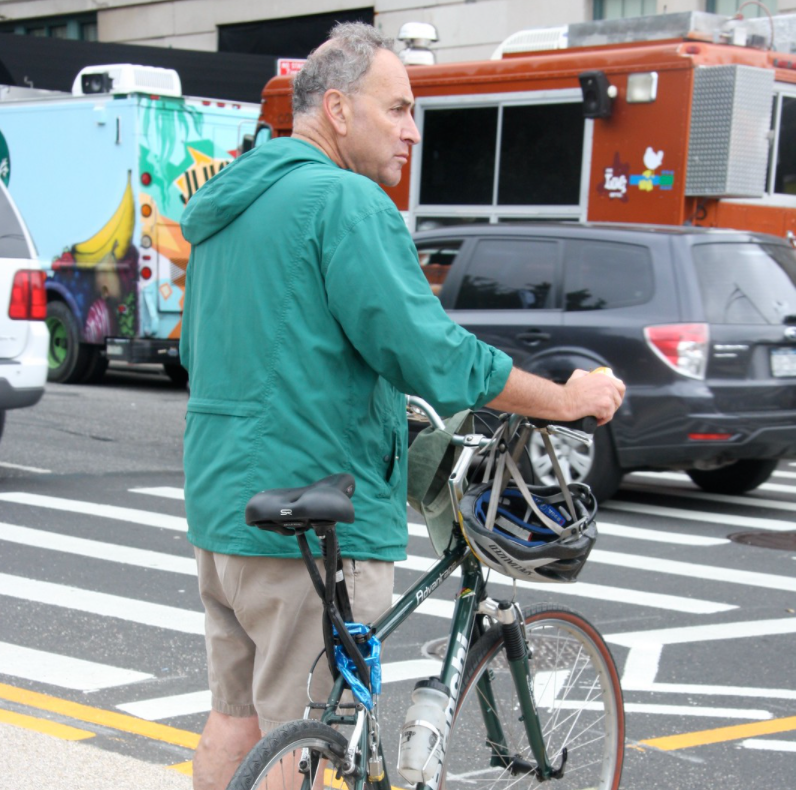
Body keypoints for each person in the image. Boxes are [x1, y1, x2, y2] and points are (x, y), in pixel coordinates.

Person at [179, 21, 625, 790]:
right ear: (339, 110)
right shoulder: (345, 202)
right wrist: (561, 399)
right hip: (318, 514)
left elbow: (206, 354)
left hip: (223, 505)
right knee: (305, 737)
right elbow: (433, 354)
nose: (412, 131)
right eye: (398, 108)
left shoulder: (228, 207)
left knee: (237, 718)